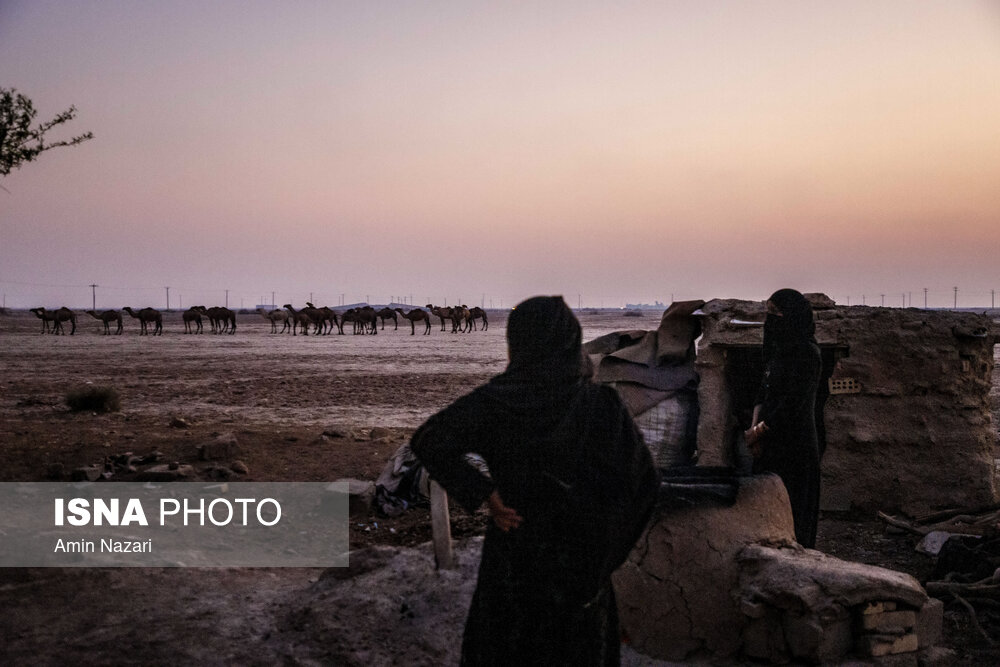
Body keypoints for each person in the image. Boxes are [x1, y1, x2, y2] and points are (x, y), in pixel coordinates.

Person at [411, 295, 659, 666]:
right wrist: (603, 555)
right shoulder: (601, 405)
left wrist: (486, 495)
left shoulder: (496, 401)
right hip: (580, 569)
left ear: (518, 342)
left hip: (515, 559)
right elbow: (643, 486)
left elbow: (429, 440)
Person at [744, 288, 822, 548]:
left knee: (794, 515)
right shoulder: (776, 353)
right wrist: (753, 428)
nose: (771, 320)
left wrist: (759, 431)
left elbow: (792, 404)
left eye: (776, 313)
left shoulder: (807, 354)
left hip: (795, 446)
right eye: (768, 313)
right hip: (768, 444)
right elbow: (762, 391)